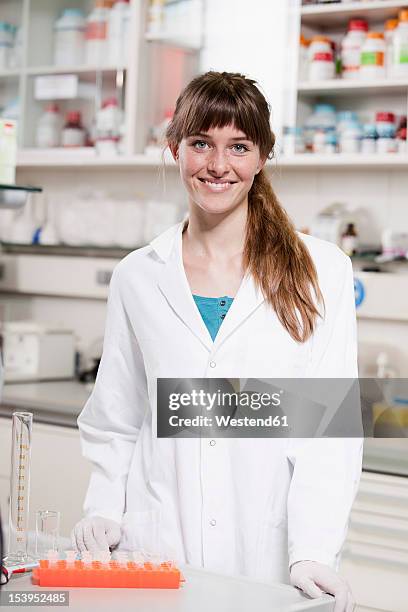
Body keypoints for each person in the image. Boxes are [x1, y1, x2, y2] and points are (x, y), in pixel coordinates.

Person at [72, 71, 362, 612]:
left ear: (262, 157)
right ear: (174, 148)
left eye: (238, 147)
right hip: (156, 548)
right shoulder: (138, 275)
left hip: (269, 559)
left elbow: (330, 432)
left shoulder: (324, 271)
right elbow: (117, 414)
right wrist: (106, 508)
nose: (217, 165)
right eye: (201, 143)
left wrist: (314, 550)